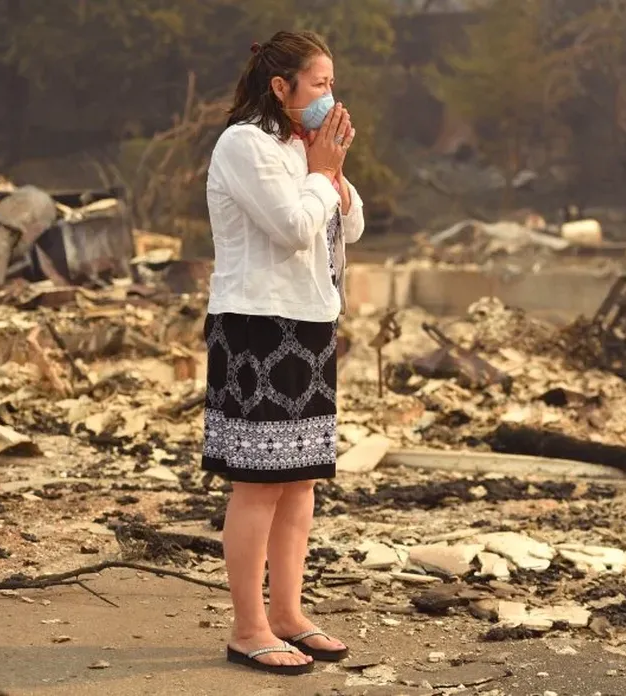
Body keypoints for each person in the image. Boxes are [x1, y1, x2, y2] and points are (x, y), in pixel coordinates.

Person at [202, 30, 363, 676]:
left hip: (310, 322)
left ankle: (289, 614)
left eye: (332, 83)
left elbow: (347, 224)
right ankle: (248, 627)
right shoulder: (245, 146)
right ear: (281, 86)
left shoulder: (304, 148)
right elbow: (295, 228)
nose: (331, 96)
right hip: (255, 326)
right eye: (320, 84)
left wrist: (333, 171)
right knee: (259, 485)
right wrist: (322, 174)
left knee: (300, 483)